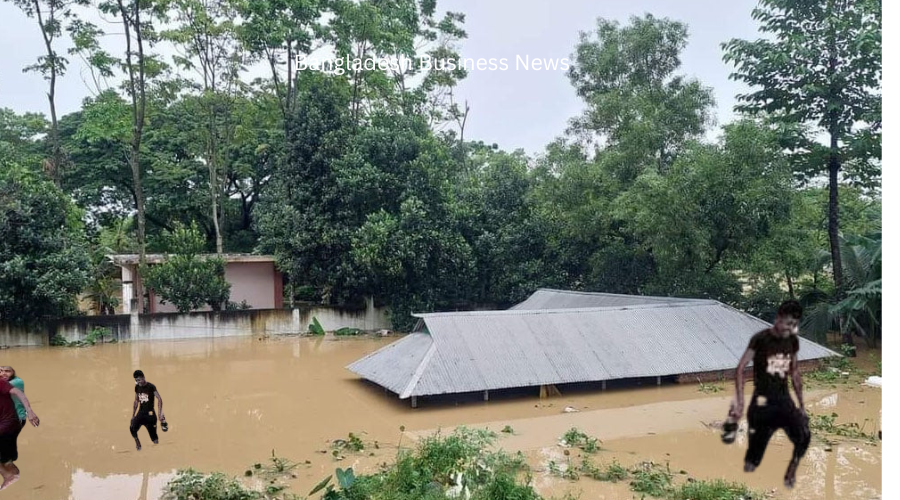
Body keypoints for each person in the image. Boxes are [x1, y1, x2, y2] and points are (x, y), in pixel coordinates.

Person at [730, 300, 810, 488]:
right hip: (762, 402)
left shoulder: (792, 341)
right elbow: (741, 368)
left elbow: (795, 372)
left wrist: (802, 406)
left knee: (804, 436)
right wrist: (739, 403)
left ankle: (792, 469)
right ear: (778, 319)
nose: (790, 328)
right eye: (788, 323)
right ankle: (751, 476)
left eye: (794, 325)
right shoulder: (760, 339)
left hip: (784, 400)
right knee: (753, 459)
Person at [0, 375, 39, 491]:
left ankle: (11, 474)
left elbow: (18, 392)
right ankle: (11, 473)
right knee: (6, 461)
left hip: (8, 423)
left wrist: (30, 411)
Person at [130, 370, 165, 451]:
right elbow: (136, 401)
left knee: (155, 440)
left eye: (139, 380)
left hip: (150, 414)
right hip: (141, 413)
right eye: (136, 380)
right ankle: (137, 442)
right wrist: (133, 415)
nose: (138, 382)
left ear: (143, 377)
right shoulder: (137, 387)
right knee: (132, 427)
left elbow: (159, 399)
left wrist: (160, 413)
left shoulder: (151, 386)